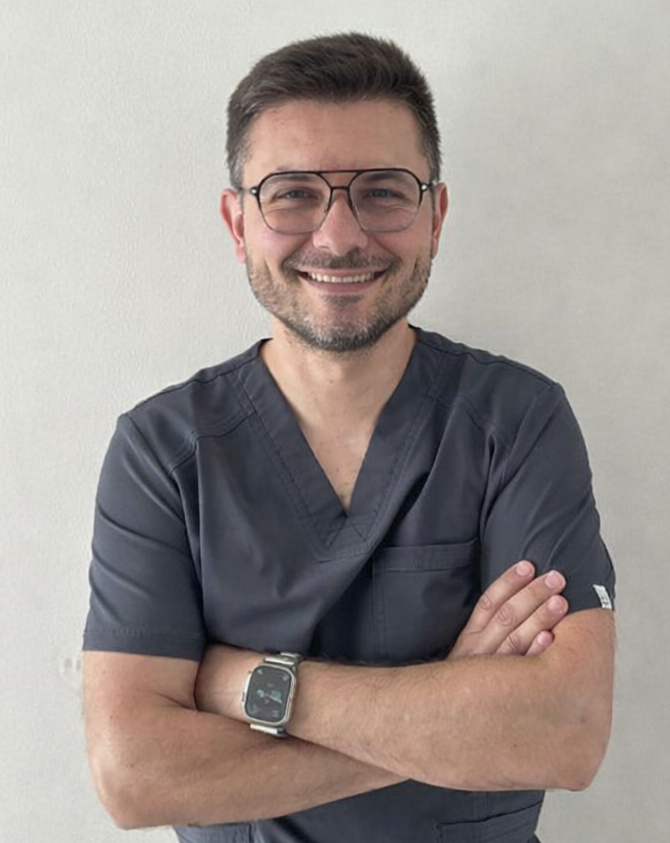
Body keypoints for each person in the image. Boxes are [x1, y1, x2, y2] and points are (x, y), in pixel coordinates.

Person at [83, 32, 616, 843]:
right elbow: (135, 777)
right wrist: (450, 712)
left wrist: (250, 684)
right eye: (293, 193)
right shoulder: (163, 453)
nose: (338, 236)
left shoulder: (517, 422)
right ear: (237, 221)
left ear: (435, 215)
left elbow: (566, 730)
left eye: (383, 191)